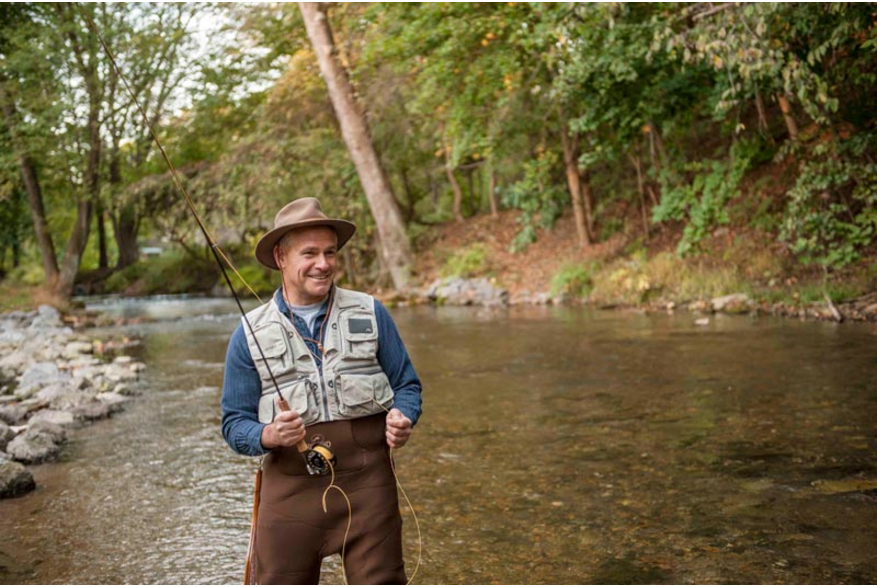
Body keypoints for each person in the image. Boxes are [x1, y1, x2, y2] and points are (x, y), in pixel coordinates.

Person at [220, 197, 423, 585]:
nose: (324, 263)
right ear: (281, 257)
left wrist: (404, 416)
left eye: (330, 252)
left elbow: (407, 386)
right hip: (290, 492)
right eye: (310, 253)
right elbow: (234, 425)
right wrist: (268, 434)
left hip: (370, 487)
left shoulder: (371, 312)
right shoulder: (248, 334)